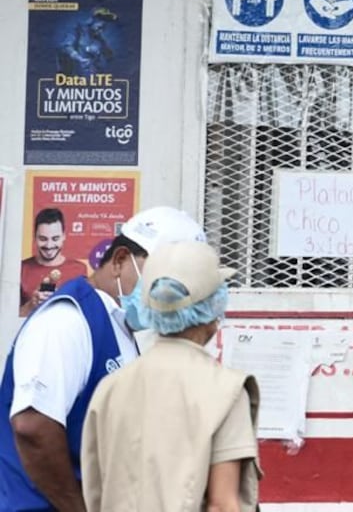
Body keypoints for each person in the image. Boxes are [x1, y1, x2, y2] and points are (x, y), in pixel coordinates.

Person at [0, 206, 207, 512]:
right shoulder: (67, 320)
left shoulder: (118, 328)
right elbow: (33, 424)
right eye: (162, 280)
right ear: (121, 260)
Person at [83, 239, 260, 512]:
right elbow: (223, 505)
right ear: (213, 310)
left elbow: (95, 493)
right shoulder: (226, 391)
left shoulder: (109, 389)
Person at [19, 208, 88, 317]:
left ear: (64, 236)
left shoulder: (79, 270)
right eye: (43, 239)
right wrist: (31, 305)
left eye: (55, 239)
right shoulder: (21, 269)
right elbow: (6, 317)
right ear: (34, 237)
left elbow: (85, 313)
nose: (49, 245)